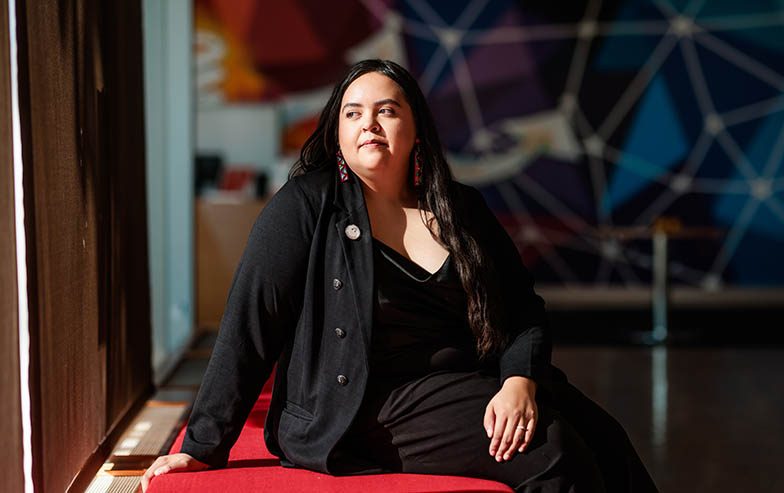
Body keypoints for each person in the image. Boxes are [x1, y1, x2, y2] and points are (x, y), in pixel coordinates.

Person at [141, 59, 657, 492]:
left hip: (458, 383)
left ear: (415, 129)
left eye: (387, 110)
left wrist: (519, 379)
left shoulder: (461, 209)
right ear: (337, 131)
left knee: (603, 435)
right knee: (550, 445)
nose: (369, 124)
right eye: (353, 113)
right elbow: (250, 323)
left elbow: (522, 309)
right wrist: (204, 446)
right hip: (362, 407)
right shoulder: (304, 206)